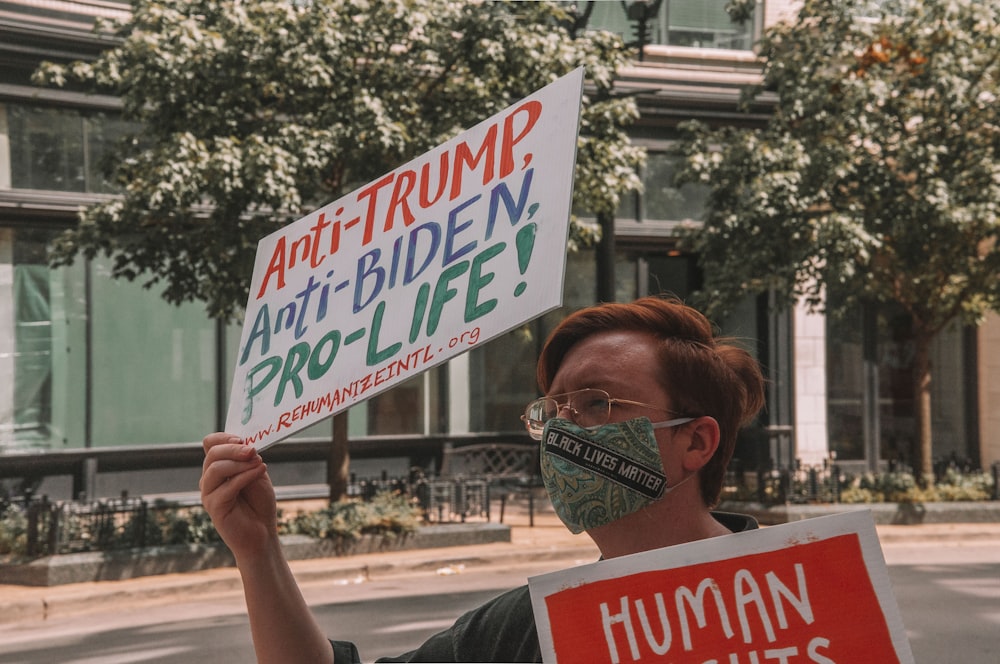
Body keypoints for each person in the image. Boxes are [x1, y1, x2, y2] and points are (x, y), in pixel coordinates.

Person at [199, 295, 766, 663]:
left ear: (696, 442)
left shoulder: (798, 596)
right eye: (554, 409)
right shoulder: (524, 629)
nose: (564, 429)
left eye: (597, 403)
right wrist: (259, 551)